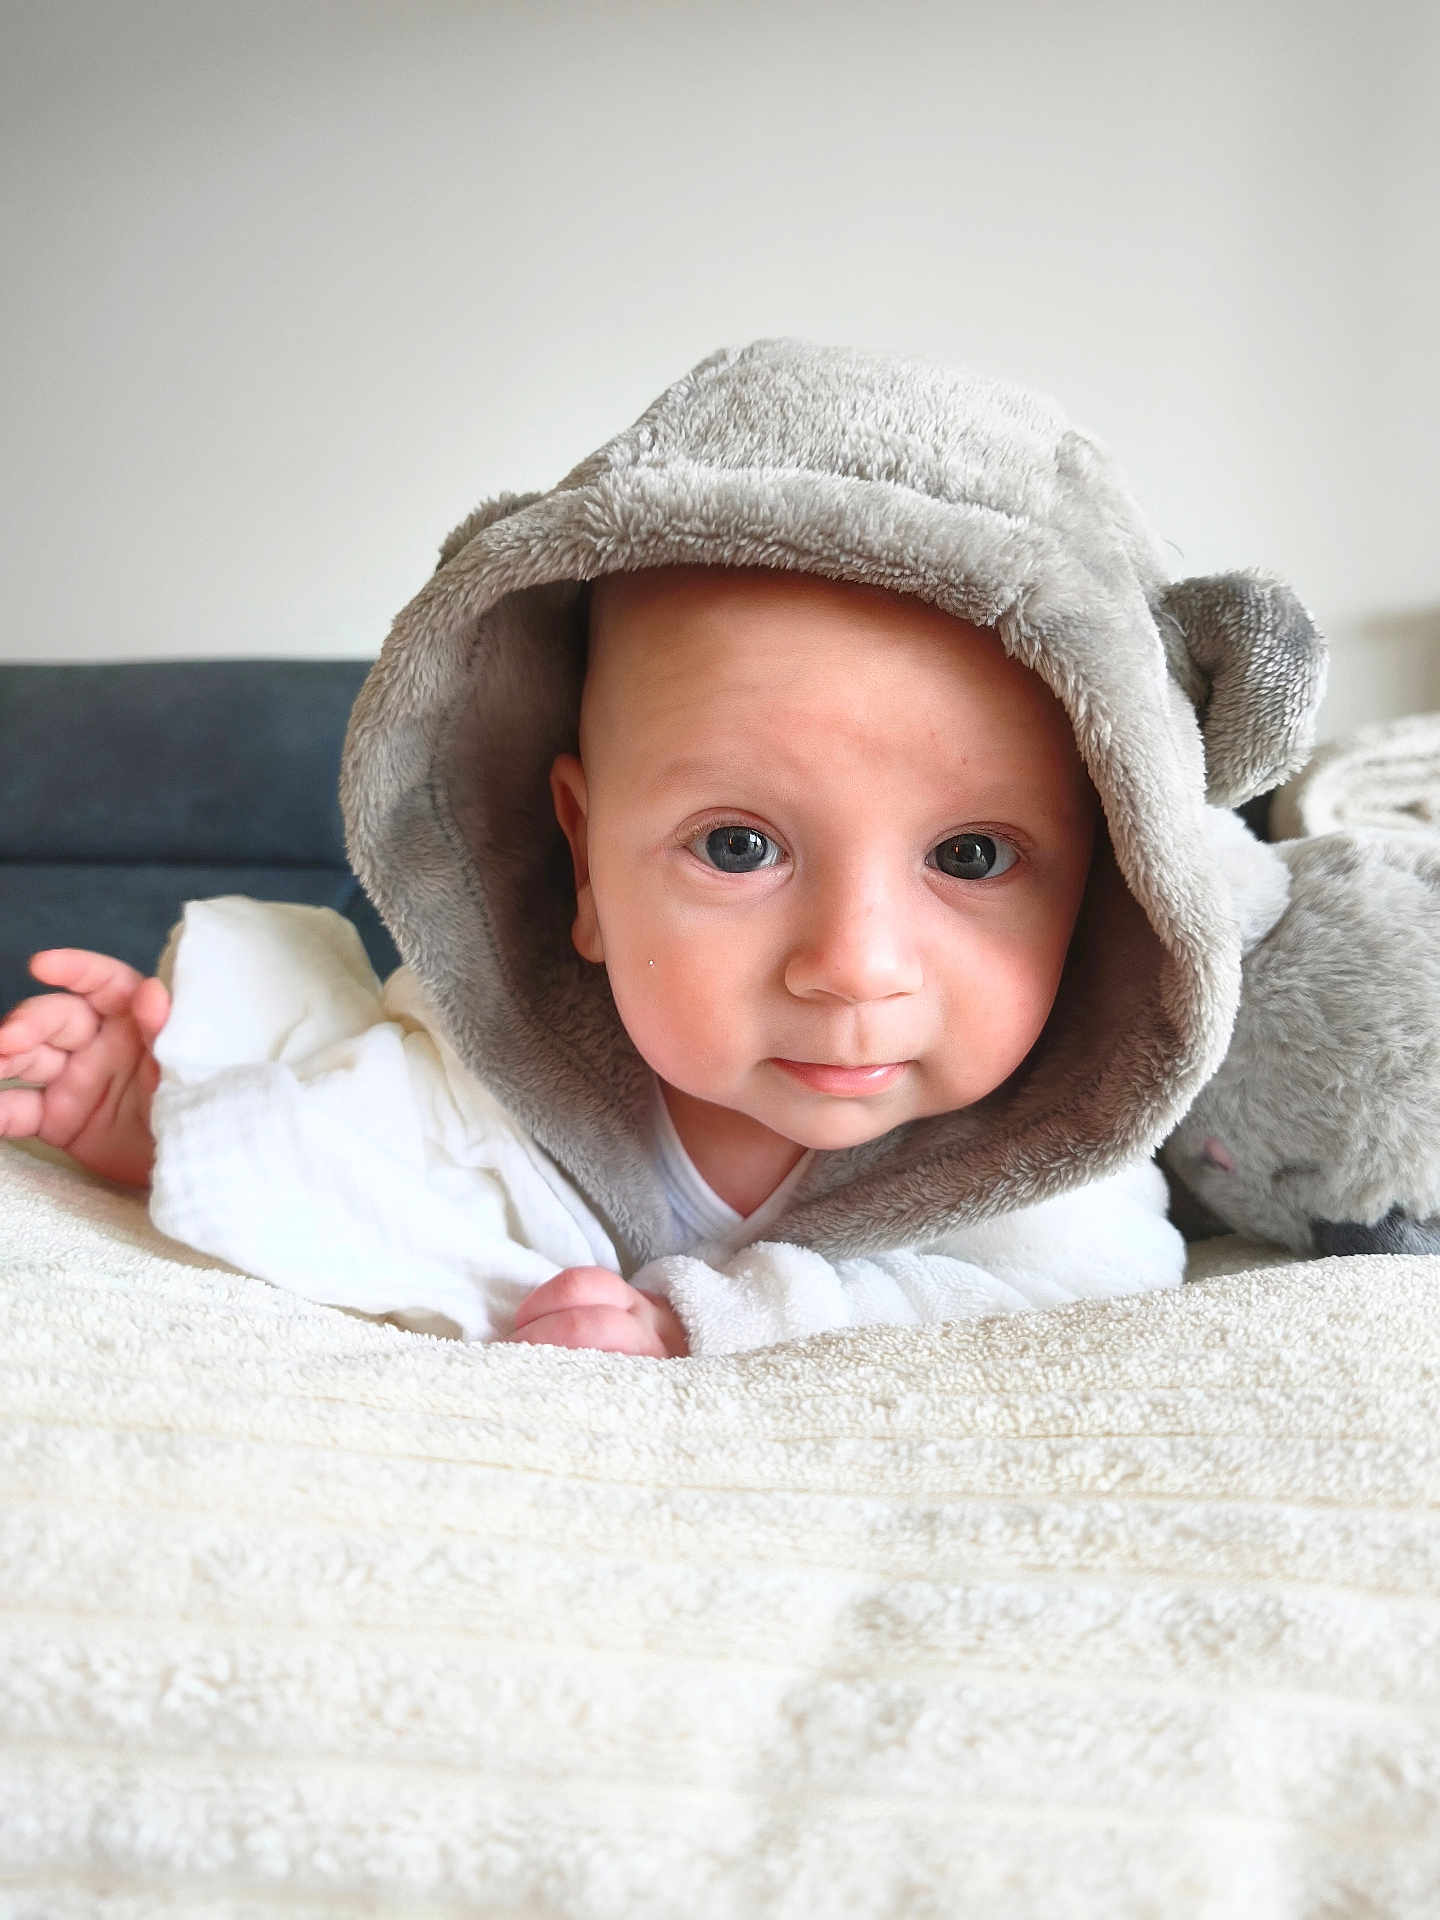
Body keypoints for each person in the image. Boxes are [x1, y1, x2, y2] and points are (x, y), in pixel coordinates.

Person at [0, 339, 1318, 1359]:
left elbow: (1072, 1301)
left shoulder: (1044, 1167)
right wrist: (160, 1124)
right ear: (583, 864)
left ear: (1101, 880)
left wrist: (713, 1320)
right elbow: (343, 1178)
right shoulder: (488, 1071)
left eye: (970, 858)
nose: (854, 967)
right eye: (738, 845)